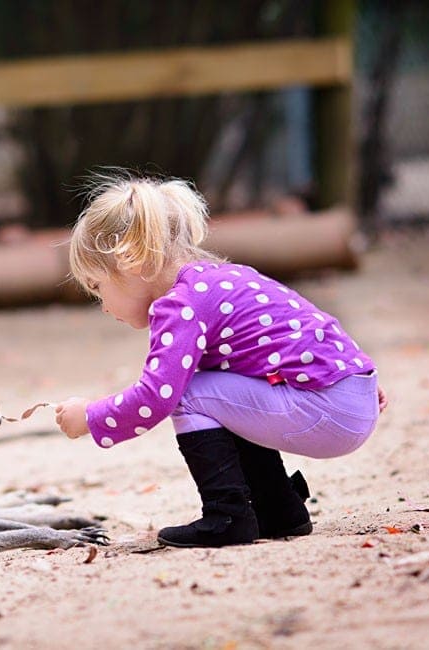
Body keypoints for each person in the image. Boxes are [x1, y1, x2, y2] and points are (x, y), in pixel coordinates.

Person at [54, 172, 387, 548]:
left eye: (98, 288)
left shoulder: (179, 305)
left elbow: (155, 397)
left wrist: (92, 417)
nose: (103, 305)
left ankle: (227, 516)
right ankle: (279, 510)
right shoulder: (223, 280)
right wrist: (359, 380)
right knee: (219, 390)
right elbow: (305, 324)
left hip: (327, 407)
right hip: (353, 391)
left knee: (187, 392)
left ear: (131, 261)